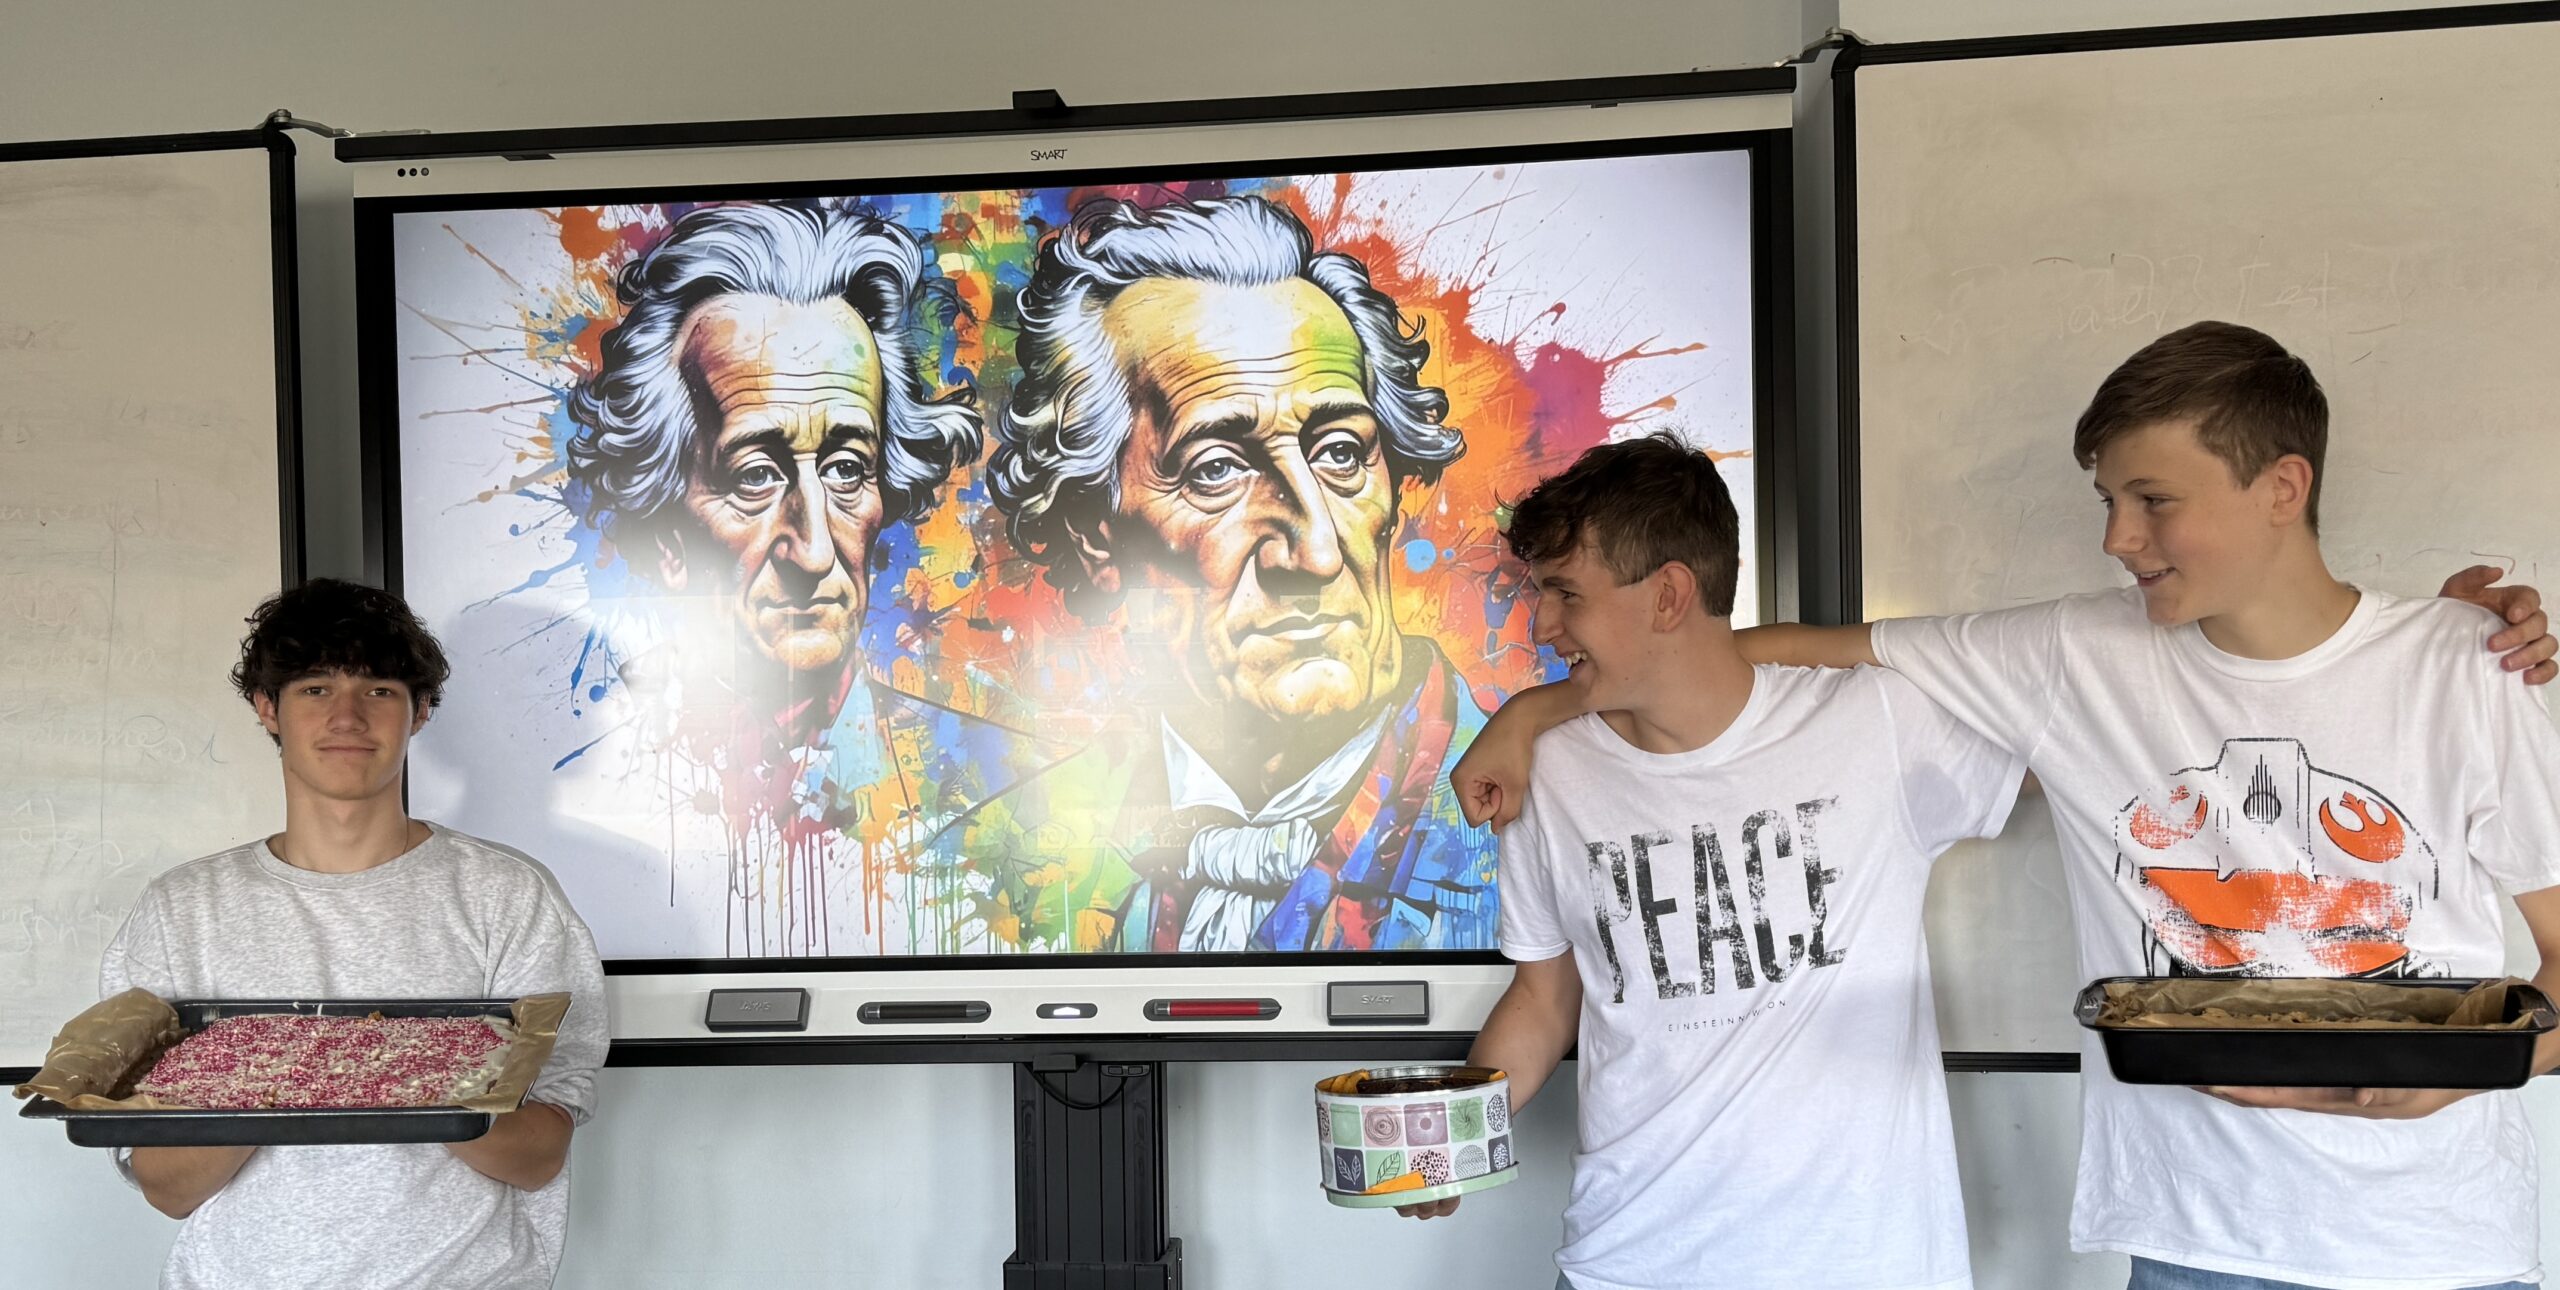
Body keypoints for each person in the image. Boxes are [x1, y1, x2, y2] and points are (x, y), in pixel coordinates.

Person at [1454, 322, 2560, 1289]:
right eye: (2109, 502)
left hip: (2442, 1245)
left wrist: (2478, 1068)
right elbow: (1785, 651)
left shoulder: (2469, 666)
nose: (2116, 538)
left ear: (2282, 487)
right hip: (2189, 1239)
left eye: (2152, 501)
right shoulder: (2074, 656)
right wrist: (1541, 709)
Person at [1399, 433, 2023, 1290]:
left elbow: (2069, 729)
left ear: (1670, 595)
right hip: (1626, 1263)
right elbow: (1545, 999)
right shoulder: (1550, 772)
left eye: (1566, 594)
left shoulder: (1877, 724)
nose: (1542, 625)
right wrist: (1452, 1138)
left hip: (1860, 1265)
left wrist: (1531, 705)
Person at [987, 194, 1493, 952]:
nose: (1317, 552)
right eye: (1216, 469)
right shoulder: (1022, 859)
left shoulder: (1521, 818)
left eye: (1341, 453)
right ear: (1096, 533)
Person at [102, 578, 610, 1289]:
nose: (347, 716)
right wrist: (288, 1073)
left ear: (420, 712)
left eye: (378, 690)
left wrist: (399, 1073)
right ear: (267, 707)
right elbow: (167, 1187)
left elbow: (538, 1156)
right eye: (315, 689)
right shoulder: (182, 909)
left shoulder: (508, 894)